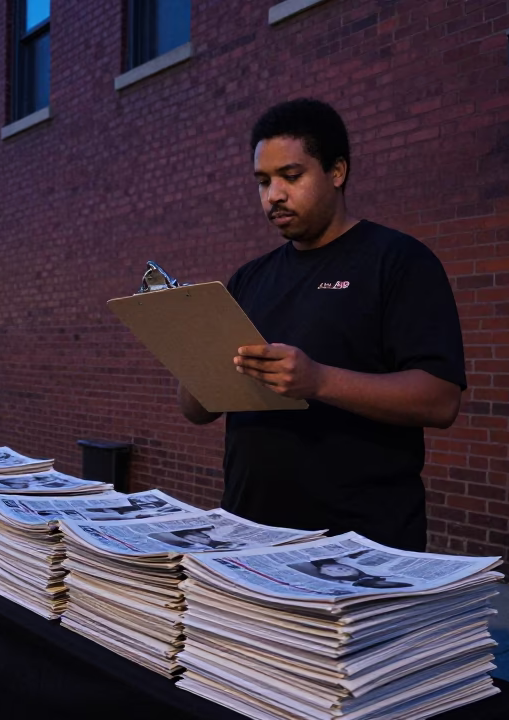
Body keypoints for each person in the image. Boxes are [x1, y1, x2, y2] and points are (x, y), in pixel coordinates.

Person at [178, 99, 466, 552]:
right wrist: (189, 350)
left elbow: (440, 400)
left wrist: (318, 380)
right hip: (249, 536)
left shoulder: (398, 261)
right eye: (263, 181)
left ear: (337, 171)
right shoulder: (248, 278)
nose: (273, 195)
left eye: (291, 177)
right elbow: (197, 410)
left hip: (358, 543)